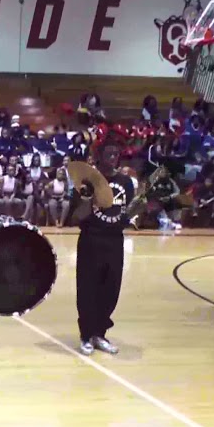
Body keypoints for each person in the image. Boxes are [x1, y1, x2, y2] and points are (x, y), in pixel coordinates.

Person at [64, 140, 141, 355]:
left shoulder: (125, 182)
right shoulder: (85, 182)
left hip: (115, 242)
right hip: (91, 240)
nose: (113, 156)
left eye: (116, 152)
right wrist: (89, 197)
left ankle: (100, 334)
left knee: (111, 289)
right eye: (109, 152)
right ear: (99, 156)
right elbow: (75, 218)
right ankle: (86, 335)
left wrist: (136, 214)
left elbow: (128, 211)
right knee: (88, 289)